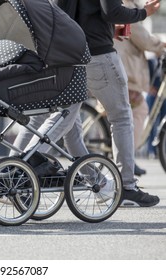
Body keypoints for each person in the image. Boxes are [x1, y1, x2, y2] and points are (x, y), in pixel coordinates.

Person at [57, 0, 161, 207]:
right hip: (99, 55)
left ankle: (98, 183)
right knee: (121, 118)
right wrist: (144, 13)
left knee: (69, 123)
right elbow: (112, 11)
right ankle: (127, 186)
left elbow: (68, 13)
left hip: (70, 54)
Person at [114, 0, 166, 176]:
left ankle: (126, 159)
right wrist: (161, 45)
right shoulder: (128, 8)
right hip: (127, 71)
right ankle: (127, 159)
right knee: (138, 111)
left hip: (121, 66)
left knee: (125, 114)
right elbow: (142, 38)